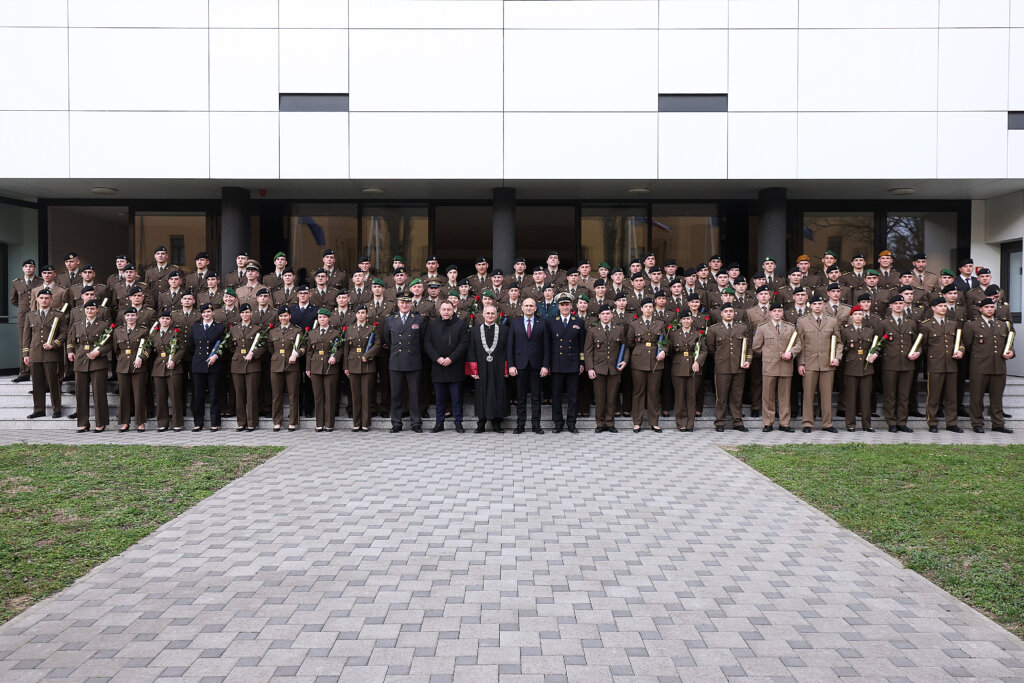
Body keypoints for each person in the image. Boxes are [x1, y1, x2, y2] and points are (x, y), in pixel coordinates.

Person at [963, 298, 1014, 433]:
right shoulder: (972, 325)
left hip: (999, 367)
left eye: (992, 307)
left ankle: (998, 424)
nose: (990, 309)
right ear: (981, 309)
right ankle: (977, 423)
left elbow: (1008, 344)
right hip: (979, 367)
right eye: (987, 307)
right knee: (977, 397)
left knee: (997, 398)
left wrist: (1011, 352)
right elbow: (967, 345)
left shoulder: (1002, 325)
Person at [796, 295, 842, 433]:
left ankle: (827, 423)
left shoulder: (832, 321)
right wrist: (801, 363)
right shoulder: (802, 321)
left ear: (824, 304)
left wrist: (837, 357)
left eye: (820, 303)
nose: (817, 306)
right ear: (810, 305)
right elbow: (800, 344)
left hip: (827, 363)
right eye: (814, 303)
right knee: (808, 394)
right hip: (809, 363)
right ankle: (807, 423)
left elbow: (839, 342)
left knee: (827, 395)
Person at [874, 296, 920, 433]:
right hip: (890, 364)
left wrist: (917, 352)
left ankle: (902, 421)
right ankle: (891, 422)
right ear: (890, 306)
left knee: (904, 395)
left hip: (907, 364)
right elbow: (878, 344)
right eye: (896, 303)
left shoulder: (911, 323)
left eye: (901, 303)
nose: (899, 306)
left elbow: (917, 343)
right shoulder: (884, 323)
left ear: (905, 305)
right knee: (890, 395)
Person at [918, 297, 965, 433]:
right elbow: (923, 345)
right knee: (933, 396)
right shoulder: (926, 325)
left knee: (952, 396)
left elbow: (960, 342)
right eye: (940, 306)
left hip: (951, 364)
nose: (943, 308)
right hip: (935, 364)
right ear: (933, 308)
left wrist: (960, 351)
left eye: (945, 306)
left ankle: (952, 423)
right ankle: (932, 423)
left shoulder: (953, 324)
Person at [704, 303, 752, 433]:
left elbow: (748, 346)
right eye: (726, 311)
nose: (729, 313)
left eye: (731, 311)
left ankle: (738, 422)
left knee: (737, 396)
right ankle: (720, 422)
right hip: (722, 367)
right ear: (721, 313)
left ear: (734, 313)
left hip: (739, 366)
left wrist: (748, 360)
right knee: (721, 396)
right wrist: (721, 358)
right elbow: (711, 348)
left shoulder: (742, 328)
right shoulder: (714, 329)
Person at [752, 302, 798, 433]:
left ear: (782, 313)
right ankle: (768, 422)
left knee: (784, 396)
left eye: (779, 311)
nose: (777, 313)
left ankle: (784, 423)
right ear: (770, 313)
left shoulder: (790, 327)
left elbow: (798, 344)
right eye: (774, 311)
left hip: (785, 365)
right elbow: (756, 346)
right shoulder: (762, 327)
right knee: (768, 396)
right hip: (769, 365)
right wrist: (768, 355)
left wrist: (791, 353)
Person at [383, 292, 426, 433]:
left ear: (411, 304)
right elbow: (387, 340)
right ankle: (396, 422)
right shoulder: (390, 320)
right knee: (396, 394)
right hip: (396, 361)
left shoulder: (419, 319)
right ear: (398, 303)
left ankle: (416, 422)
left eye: (407, 302)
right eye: (402, 302)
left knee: (414, 394)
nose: (405, 305)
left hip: (413, 361)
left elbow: (422, 341)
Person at [424, 301, 469, 432]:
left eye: (449, 309)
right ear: (439, 310)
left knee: (456, 399)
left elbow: (464, 344)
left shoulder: (461, 324)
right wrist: (437, 358)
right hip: (438, 368)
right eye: (443, 309)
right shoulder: (432, 325)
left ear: (453, 309)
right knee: (440, 399)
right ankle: (439, 423)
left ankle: (458, 423)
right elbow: (427, 343)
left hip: (455, 367)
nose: (446, 312)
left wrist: (451, 358)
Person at [507, 298, 550, 434]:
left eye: (531, 305)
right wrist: (511, 365)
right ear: (522, 307)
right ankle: (520, 425)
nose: (529, 308)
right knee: (521, 397)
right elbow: (510, 346)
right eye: (526, 305)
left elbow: (547, 347)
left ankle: (536, 425)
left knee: (536, 397)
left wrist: (545, 365)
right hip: (520, 365)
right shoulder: (515, 323)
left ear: (536, 308)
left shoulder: (542, 323)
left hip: (537, 366)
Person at [67, 300, 111, 432]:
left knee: (99, 393)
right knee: (81, 393)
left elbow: (110, 344)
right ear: (84, 310)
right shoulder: (77, 324)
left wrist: (99, 351)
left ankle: (100, 423)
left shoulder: (104, 325)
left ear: (97, 310)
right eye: (87, 309)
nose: (90, 311)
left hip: (98, 361)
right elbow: (71, 341)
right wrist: (70, 352)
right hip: (81, 360)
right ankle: (83, 423)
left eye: (92, 309)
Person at [23, 288, 66, 419]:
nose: (44, 300)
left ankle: (56, 409)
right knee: (37, 383)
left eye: (47, 298)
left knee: (53, 382)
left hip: (52, 353)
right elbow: (27, 336)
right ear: (37, 299)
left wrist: (54, 344)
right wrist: (26, 353)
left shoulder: (59, 315)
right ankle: (39, 409)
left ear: (51, 300)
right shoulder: (30, 315)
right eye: (41, 298)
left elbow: (64, 333)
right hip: (35, 353)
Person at [585, 304, 628, 433]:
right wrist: (590, 368)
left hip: (614, 368)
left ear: (612, 315)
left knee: (612, 397)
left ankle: (610, 422)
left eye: (608, 313)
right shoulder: (593, 330)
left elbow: (624, 347)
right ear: (599, 316)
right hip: (598, 368)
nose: (605, 316)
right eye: (603, 314)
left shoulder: (619, 329)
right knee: (599, 397)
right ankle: (600, 423)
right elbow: (588, 351)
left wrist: (625, 361)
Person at [468, 304, 511, 433]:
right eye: (488, 313)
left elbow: (508, 350)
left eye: (493, 313)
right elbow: (471, 351)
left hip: (499, 367)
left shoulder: (504, 330)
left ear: (497, 315)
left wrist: (507, 368)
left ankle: (497, 423)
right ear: (483, 315)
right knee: (482, 393)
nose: (490, 316)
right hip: (481, 367)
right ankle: (481, 422)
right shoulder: (475, 331)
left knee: (499, 393)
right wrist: (473, 370)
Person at [627, 298, 667, 432]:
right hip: (639, 360)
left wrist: (663, 351)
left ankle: (654, 421)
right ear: (641, 309)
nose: (648, 309)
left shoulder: (660, 324)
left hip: (656, 360)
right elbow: (630, 342)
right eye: (646, 307)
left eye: (651, 307)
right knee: (638, 391)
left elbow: (665, 341)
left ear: (653, 308)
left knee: (653, 392)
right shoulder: (634, 324)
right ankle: (637, 422)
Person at [547, 293, 585, 433]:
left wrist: (581, 362)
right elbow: (548, 344)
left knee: (573, 396)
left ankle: (571, 423)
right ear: (558, 306)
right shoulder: (551, 321)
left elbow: (582, 345)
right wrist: (547, 363)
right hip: (556, 363)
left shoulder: (578, 321)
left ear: (571, 306)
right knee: (556, 396)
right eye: (562, 305)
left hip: (573, 363)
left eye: (567, 304)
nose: (565, 307)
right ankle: (558, 423)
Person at [187, 303, 226, 432]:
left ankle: (215, 423)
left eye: (209, 312)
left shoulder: (220, 327)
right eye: (204, 312)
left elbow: (224, 345)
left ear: (213, 313)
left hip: (214, 364)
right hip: (198, 364)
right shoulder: (195, 327)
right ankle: (198, 423)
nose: (206, 314)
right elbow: (191, 346)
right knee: (198, 395)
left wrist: (216, 356)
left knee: (215, 395)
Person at [667, 310, 706, 432]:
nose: (686, 321)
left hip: (693, 367)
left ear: (692, 320)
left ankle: (690, 423)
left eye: (688, 319)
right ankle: (681, 422)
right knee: (679, 397)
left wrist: (697, 362)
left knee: (691, 396)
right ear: (680, 321)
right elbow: (669, 348)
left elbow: (704, 350)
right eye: (684, 319)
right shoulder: (673, 334)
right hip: (678, 367)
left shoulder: (698, 334)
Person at [342, 305, 380, 433]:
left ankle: (365, 423)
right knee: (355, 396)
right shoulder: (350, 329)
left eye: (363, 313)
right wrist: (346, 367)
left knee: (366, 395)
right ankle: (356, 423)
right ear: (355, 315)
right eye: (358, 313)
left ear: (367, 314)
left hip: (367, 365)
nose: (360, 315)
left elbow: (377, 345)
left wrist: (367, 355)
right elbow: (346, 349)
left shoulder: (372, 328)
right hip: (353, 365)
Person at [269, 305, 306, 432]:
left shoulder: (297, 331)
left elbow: (303, 347)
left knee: (293, 394)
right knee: (276, 394)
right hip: (276, 365)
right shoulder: (273, 331)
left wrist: (296, 354)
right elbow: (270, 348)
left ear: (290, 316)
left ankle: (293, 421)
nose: (283, 318)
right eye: (281, 316)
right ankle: (277, 421)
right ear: (278, 317)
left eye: (285, 315)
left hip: (292, 365)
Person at [839, 305, 875, 432]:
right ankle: (850, 424)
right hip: (851, 366)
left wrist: (875, 354)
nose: (858, 317)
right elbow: (841, 348)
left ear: (863, 316)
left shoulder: (869, 331)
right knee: (851, 397)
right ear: (851, 316)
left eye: (860, 314)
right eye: (855, 314)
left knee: (866, 398)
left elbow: (875, 347)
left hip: (866, 367)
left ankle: (867, 424)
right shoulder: (845, 331)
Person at [113, 306, 150, 432]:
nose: (130, 318)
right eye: (128, 315)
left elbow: (148, 347)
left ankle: (140, 422)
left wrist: (141, 358)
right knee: (124, 394)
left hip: (138, 365)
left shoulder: (143, 331)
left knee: (139, 394)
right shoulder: (118, 331)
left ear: (137, 316)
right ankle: (125, 422)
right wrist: (122, 359)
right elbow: (116, 350)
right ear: (124, 317)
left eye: (133, 315)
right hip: (123, 365)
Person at [306, 307, 343, 432]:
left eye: (324, 317)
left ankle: (329, 423)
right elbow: (309, 352)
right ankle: (319, 423)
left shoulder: (336, 333)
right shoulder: (312, 333)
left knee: (330, 396)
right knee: (318, 396)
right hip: (315, 366)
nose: (322, 319)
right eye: (320, 317)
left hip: (330, 367)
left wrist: (335, 357)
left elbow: (340, 349)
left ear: (329, 319)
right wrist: (308, 368)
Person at [230, 304, 265, 431]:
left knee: (251, 395)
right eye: (243, 312)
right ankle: (241, 422)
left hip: (252, 364)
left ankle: (251, 422)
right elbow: (231, 346)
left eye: (247, 312)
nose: (245, 315)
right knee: (239, 395)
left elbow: (262, 346)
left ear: (251, 313)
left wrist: (253, 354)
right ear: (240, 314)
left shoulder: (257, 328)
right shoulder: (234, 329)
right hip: (237, 363)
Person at [151, 310, 186, 432]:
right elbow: (148, 349)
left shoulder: (176, 333)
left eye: (167, 318)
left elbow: (181, 349)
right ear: (159, 320)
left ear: (171, 320)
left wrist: (174, 361)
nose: (165, 321)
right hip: (158, 367)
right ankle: (162, 423)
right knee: (161, 397)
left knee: (175, 395)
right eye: (162, 318)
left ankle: (177, 423)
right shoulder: (154, 333)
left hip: (173, 367)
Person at [11, 258, 42, 383]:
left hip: (37, 316)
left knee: (37, 342)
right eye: (26, 266)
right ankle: (24, 373)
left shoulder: (40, 281)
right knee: (23, 344)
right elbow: (13, 300)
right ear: (23, 269)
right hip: (23, 317)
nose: (28, 268)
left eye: (31, 266)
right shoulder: (16, 283)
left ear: (34, 269)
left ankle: (36, 371)